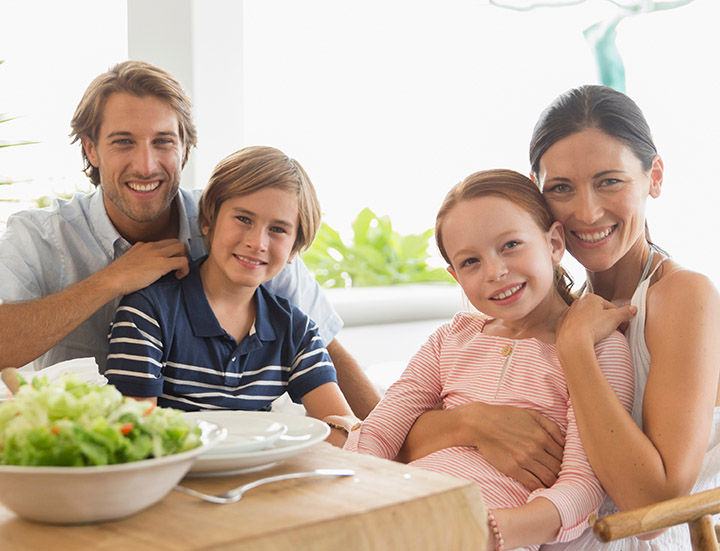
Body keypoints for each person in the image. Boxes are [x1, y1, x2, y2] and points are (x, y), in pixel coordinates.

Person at [402, 86, 720, 550]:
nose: (586, 211)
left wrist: (576, 351)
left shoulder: (681, 296)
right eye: (561, 188)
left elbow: (651, 506)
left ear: (654, 176)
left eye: (609, 181)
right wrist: (474, 423)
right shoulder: (546, 304)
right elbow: (398, 431)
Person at [0, 60, 381, 419]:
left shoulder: (233, 223)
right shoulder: (38, 237)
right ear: (90, 149)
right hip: (85, 450)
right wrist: (112, 280)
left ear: (185, 148)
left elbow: (324, 348)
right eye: (123, 142)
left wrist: (397, 453)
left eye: (163, 141)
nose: (146, 165)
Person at [344, 169, 635, 551]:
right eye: (470, 262)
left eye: (511, 245)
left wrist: (485, 531)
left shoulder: (599, 348)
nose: (495, 272)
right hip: (400, 515)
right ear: (455, 276)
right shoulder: (450, 339)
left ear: (553, 242)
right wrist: (345, 496)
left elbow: (583, 485)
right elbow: (379, 432)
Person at [105, 145, 357, 443]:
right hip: (174, 481)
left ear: (293, 249)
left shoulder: (296, 331)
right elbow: (133, 436)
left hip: (264, 480)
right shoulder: (147, 313)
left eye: (277, 229)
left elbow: (343, 429)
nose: (257, 242)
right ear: (208, 220)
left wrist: (347, 433)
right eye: (244, 219)